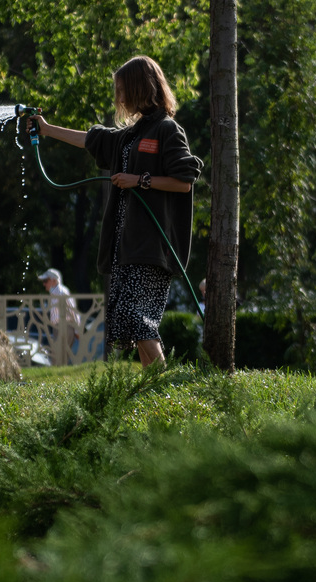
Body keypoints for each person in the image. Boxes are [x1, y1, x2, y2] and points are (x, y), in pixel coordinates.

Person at [28, 55, 202, 367]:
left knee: (138, 319)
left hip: (152, 247)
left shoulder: (167, 130)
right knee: (130, 322)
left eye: (122, 90)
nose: (118, 97)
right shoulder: (130, 135)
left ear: (139, 88)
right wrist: (47, 130)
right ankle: (154, 389)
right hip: (125, 248)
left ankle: (165, 382)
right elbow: (92, 140)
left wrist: (140, 180)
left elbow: (183, 182)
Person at [38, 268, 82, 348]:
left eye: (45, 281)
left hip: (64, 328)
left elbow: (72, 310)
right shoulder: (55, 293)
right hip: (60, 328)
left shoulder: (61, 292)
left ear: (54, 281)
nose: (44, 284)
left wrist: (77, 331)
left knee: (59, 358)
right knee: (60, 358)